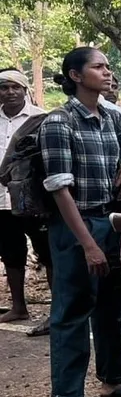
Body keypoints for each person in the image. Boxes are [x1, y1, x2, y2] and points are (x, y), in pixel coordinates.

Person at [40, 47, 121, 397]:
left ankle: (113, 382)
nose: (107, 73)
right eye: (98, 67)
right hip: (76, 225)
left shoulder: (112, 117)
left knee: (111, 306)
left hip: (112, 221)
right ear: (75, 76)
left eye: (108, 66)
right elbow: (60, 189)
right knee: (73, 310)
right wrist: (88, 244)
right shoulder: (59, 123)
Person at [0, 67, 50, 331]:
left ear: (25, 90)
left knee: (48, 253)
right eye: (4, 87)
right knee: (11, 253)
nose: (10, 92)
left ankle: (57, 312)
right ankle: (18, 307)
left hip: (34, 200)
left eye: (15, 87)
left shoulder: (40, 118)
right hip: (1, 200)